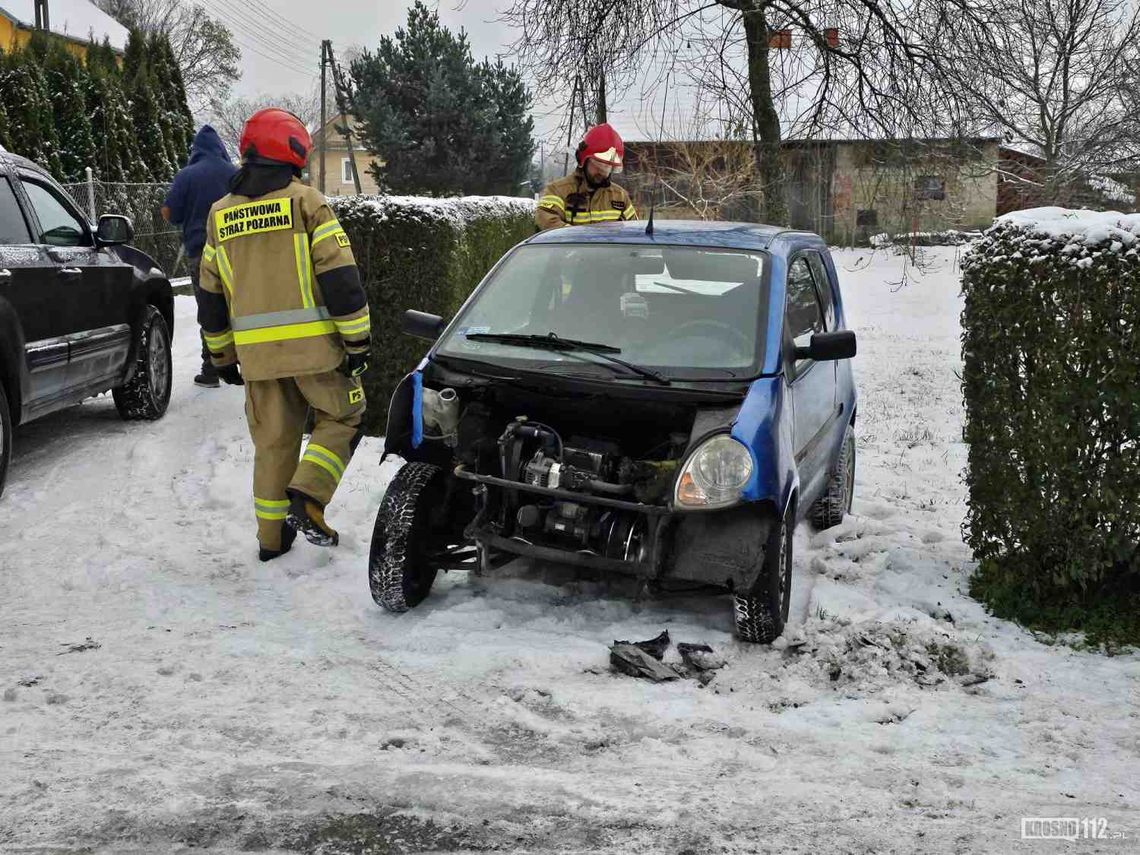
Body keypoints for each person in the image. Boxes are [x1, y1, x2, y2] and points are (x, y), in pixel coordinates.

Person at [197, 108, 372, 562]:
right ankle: (308, 497)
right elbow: (341, 280)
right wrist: (357, 343)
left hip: (258, 360)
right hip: (317, 354)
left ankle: (272, 542)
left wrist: (221, 357)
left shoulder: (220, 215)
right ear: (293, 151)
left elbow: (210, 298)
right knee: (345, 417)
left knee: (274, 444)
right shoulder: (307, 203)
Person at [162, 125, 238, 387]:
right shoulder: (235, 174)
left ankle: (212, 367)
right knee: (240, 303)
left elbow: (169, 213)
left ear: (195, 150)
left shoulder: (186, 176)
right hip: (236, 250)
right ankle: (250, 361)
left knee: (209, 306)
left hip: (200, 251)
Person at [536, 123, 638, 230]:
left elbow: (634, 230)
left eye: (607, 167)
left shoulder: (620, 196)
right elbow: (546, 220)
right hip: (572, 247)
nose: (602, 172)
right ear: (583, 161)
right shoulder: (558, 191)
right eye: (598, 165)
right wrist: (580, 238)